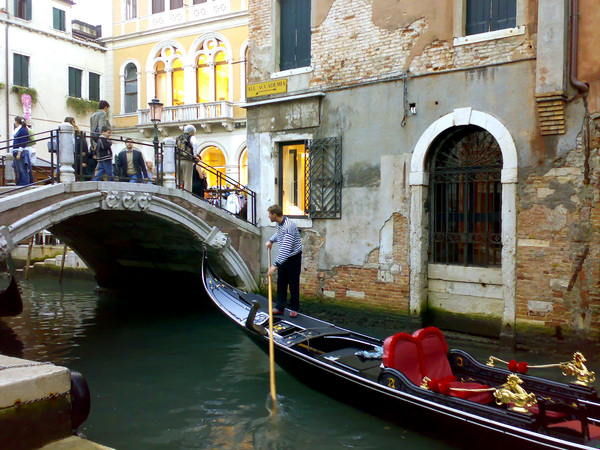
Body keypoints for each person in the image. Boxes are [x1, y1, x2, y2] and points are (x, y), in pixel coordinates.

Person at [265, 204, 303, 318]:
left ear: (274, 215)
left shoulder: (289, 226)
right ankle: (280, 307)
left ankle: (294, 308)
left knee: (293, 283)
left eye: (269, 214)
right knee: (281, 281)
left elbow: (286, 249)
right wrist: (271, 240)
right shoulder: (279, 223)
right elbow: (279, 234)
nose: (268, 216)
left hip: (293, 257)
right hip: (285, 256)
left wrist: (274, 266)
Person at [12, 116, 32, 186]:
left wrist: (19, 153)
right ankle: (20, 183)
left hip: (21, 151)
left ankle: (25, 183)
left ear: (17, 122)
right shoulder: (18, 130)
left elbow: (23, 142)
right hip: (16, 151)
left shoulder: (23, 130)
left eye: (15, 121)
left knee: (23, 169)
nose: (14, 123)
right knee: (18, 170)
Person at [175, 124, 197, 190]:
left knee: (179, 179)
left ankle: (177, 191)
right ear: (191, 132)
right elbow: (195, 144)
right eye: (193, 132)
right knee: (187, 179)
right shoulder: (191, 137)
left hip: (178, 160)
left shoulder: (178, 138)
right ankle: (187, 194)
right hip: (187, 160)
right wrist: (195, 155)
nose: (193, 134)